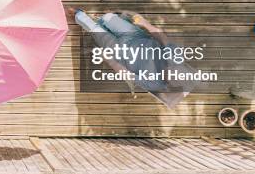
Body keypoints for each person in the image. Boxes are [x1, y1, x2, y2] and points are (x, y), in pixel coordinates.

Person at [69, 8, 197, 109]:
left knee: (91, 26)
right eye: (177, 71)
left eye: (174, 78)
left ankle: (77, 14)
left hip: (118, 52)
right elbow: (161, 37)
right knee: (107, 18)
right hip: (134, 35)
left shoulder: (154, 83)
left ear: (171, 84)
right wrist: (145, 23)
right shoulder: (175, 58)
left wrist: (108, 59)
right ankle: (102, 19)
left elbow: (127, 74)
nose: (173, 72)